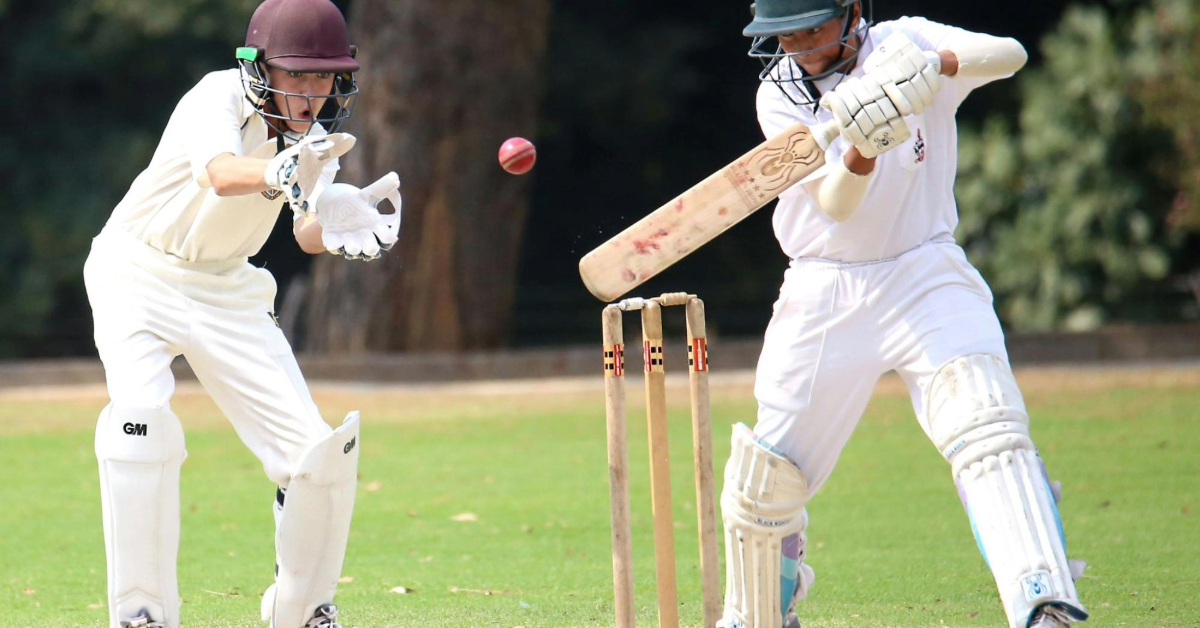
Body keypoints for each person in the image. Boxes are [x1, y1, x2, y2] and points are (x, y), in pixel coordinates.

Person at [716, 2, 1089, 628]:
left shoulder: (906, 38)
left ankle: (1043, 603)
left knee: (987, 424)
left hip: (924, 270)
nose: (801, 47)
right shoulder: (778, 99)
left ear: (853, 13)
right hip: (824, 289)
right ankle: (756, 618)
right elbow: (835, 203)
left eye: (813, 28)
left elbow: (1010, 54)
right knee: (768, 478)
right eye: (786, 37)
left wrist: (930, 66)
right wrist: (861, 146)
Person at [83, 0, 401, 626]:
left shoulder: (316, 139)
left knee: (316, 456)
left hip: (228, 289)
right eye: (299, 76)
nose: (313, 94)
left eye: (325, 77)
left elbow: (306, 225)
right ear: (260, 69)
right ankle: (141, 612)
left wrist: (339, 219)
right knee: (139, 421)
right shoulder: (214, 97)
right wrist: (279, 169)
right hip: (136, 271)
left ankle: (303, 609)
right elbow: (222, 174)